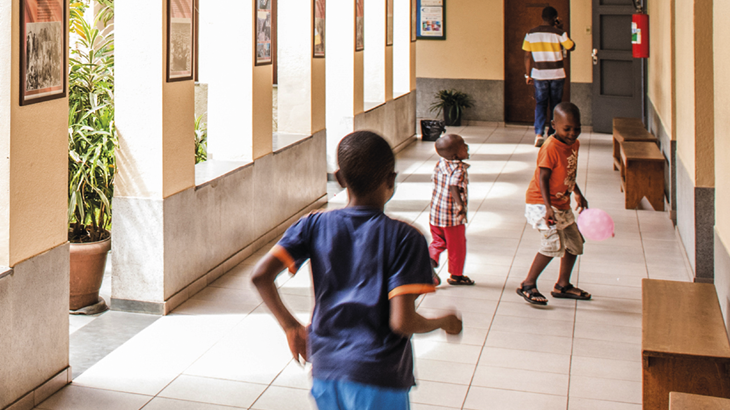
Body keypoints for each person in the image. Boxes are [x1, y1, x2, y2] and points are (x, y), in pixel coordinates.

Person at [252, 131, 463, 410]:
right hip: (379, 376)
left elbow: (260, 276)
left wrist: (290, 326)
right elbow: (402, 322)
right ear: (391, 180)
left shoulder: (312, 225)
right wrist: (444, 321)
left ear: (339, 178)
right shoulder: (405, 237)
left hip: (326, 370)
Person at [516, 102, 592, 305]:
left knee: (575, 243)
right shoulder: (549, 147)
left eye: (577, 128)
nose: (572, 133)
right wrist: (548, 208)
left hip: (561, 201)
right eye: (567, 128)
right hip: (541, 202)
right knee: (552, 243)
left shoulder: (573, 144)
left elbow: (568, 171)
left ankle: (562, 285)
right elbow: (543, 178)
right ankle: (528, 284)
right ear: (554, 125)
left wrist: (577, 193)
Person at [523, 6, 576, 148]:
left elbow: (527, 55)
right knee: (555, 104)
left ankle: (538, 134)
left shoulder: (531, 33)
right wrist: (562, 29)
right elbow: (571, 46)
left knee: (540, 103)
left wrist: (528, 74)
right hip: (557, 74)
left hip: (539, 74)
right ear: (554, 18)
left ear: (543, 17)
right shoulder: (559, 33)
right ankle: (552, 134)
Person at [429, 134, 475, 286]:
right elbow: (453, 186)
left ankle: (429, 262)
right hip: (452, 217)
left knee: (438, 241)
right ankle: (456, 275)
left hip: (436, 213)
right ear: (455, 155)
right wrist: (460, 205)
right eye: (463, 146)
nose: (467, 147)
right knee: (457, 246)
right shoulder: (459, 168)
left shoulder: (441, 163)